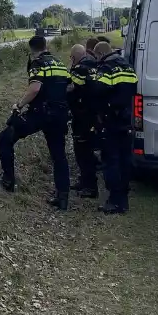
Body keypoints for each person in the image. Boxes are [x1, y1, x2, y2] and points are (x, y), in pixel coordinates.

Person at [0, 35, 77, 210]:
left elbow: (34, 89)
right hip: (60, 115)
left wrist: (19, 105)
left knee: (5, 137)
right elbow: (70, 87)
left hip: (41, 114)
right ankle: (62, 198)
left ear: (31, 49)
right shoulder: (60, 64)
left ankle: (8, 181)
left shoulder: (38, 63)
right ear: (46, 45)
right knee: (59, 156)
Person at [88, 41, 138, 215]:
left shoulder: (106, 68)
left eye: (96, 57)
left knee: (111, 161)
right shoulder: (128, 67)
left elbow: (96, 91)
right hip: (127, 120)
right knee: (125, 161)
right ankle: (123, 201)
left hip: (111, 121)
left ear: (100, 54)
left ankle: (114, 201)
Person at [67, 43, 101, 199]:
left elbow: (69, 90)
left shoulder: (78, 70)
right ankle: (85, 181)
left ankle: (89, 186)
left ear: (73, 57)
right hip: (95, 116)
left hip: (82, 117)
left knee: (82, 152)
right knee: (87, 150)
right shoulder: (96, 65)